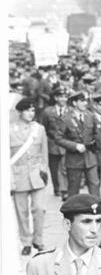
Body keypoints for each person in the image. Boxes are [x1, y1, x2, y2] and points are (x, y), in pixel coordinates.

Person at [10, 97, 50, 256]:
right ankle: (25, 241)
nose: (30, 113)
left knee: (40, 208)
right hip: (18, 175)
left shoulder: (39, 129)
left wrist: (44, 170)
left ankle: (38, 240)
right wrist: (9, 179)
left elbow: (43, 152)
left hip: (36, 174)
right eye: (27, 110)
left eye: (33, 110)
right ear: (20, 112)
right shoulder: (9, 130)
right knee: (22, 211)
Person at [53, 91, 101, 198]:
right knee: (73, 190)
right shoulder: (66, 118)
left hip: (90, 158)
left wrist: (95, 145)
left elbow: (97, 135)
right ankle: (72, 213)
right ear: (74, 103)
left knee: (95, 187)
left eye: (86, 101)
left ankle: (98, 212)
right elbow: (58, 138)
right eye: (82, 101)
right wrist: (75, 146)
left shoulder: (91, 116)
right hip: (74, 159)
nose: (85, 103)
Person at [39, 86, 69, 199]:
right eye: (60, 97)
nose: (63, 99)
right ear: (56, 98)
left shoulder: (70, 111)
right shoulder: (47, 111)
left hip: (66, 144)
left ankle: (64, 189)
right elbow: (43, 128)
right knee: (54, 168)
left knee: (65, 168)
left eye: (65, 97)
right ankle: (56, 187)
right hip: (52, 144)